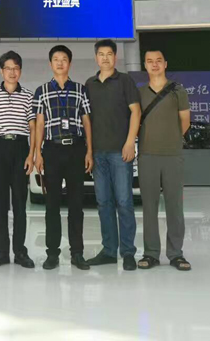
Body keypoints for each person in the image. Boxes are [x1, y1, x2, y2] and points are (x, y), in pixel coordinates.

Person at [34, 45, 93, 271]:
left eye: (64, 59)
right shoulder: (41, 91)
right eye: (56, 59)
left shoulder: (80, 89)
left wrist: (89, 150)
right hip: (52, 150)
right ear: (50, 64)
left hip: (76, 149)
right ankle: (52, 253)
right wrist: (38, 152)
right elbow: (40, 124)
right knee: (52, 204)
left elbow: (86, 121)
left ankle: (77, 253)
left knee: (76, 204)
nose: (60, 63)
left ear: (70, 63)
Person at [85, 39, 141, 271]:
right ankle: (109, 251)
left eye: (109, 54)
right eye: (101, 54)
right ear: (96, 58)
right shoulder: (89, 84)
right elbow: (86, 120)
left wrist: (130, 142)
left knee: (124, 202)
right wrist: (88, 151)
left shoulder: (125, 81)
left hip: (120, 152)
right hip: (98, 153)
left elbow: (136, 112)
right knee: (103, 203)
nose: (105, 58)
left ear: (115, 57)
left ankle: (128, 252)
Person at [0, 51, 36, 269]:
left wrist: (31, 154)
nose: (12, 72)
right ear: (1, 71)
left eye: (16, 68)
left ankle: (20, 252)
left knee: (20, 204)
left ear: (20, 71)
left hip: (20, 148)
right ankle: (1, 252)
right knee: (0, 204)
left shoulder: (28, 96)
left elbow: (33, 127)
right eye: (8, 68)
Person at [137, 50, 192, 272]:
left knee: (174, 206)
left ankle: (176, 253)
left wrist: (171, 140)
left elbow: (185, 121)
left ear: (165, 64)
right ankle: (150, 253)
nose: (155, 64)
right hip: (147, 155)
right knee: (149, 207)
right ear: (145, 65)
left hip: (172, 155)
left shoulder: (178, 91)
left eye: (158, 61)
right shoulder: (139, 93)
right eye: (150, 61)